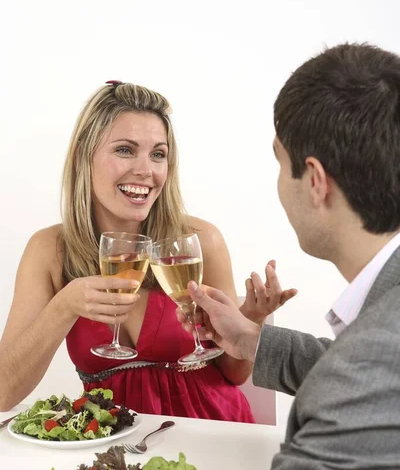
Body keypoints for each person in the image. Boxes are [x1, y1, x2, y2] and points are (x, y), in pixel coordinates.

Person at [21, 41, 400, 470]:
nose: (146, 169)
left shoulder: (373, 357)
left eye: (278, 164)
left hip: (213, 455)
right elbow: (353, 372)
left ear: (315, 181)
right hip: (123, 455)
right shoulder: (374, 342)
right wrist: (250, 336)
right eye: (124, 150)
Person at [0, 80, 296, 422]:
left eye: (158, 154)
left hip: (214, 435)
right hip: (114, 444)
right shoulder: (49, 251)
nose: (146, 171)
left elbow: (234, 374)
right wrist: (65, 305)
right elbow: (5, 393)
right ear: (84, 154)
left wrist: (252, 318)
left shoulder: (199, 242)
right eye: (125, 149)